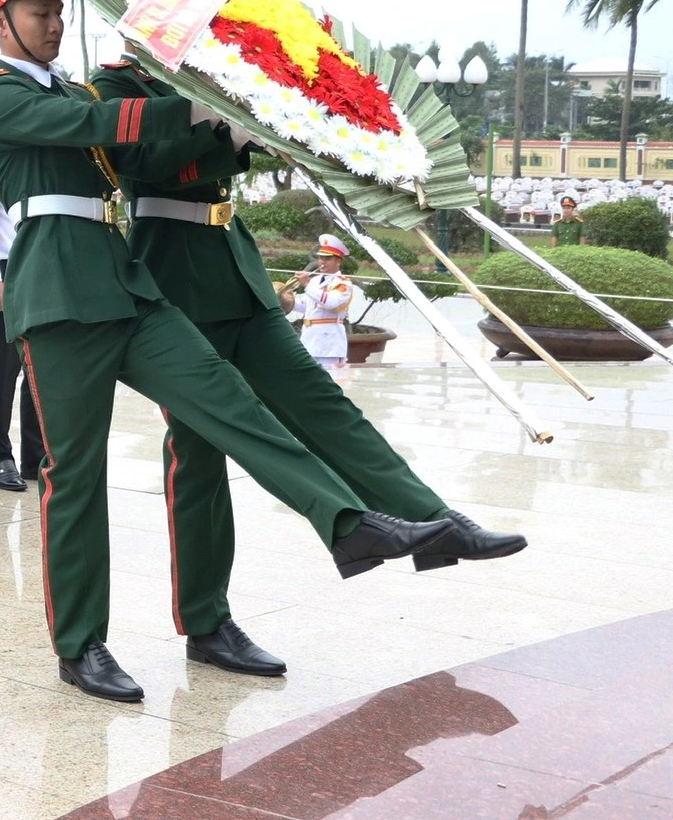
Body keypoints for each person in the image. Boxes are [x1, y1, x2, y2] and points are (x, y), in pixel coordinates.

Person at [0, 0, 456, 703]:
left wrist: (244, 118)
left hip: (126, 284)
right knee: (77, 473)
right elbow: (106, 129)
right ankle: (81, 643)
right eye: (38, 11)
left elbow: (138, 144)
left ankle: (346, 522)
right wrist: (213, 101)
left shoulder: (71, 90)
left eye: (59, 8)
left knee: (231, 404)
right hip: (58, 295)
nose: (54, 22)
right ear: (0, 22)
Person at [90, 57, 525, 682]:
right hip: (174, 276)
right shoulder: (116, 84)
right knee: (199, 457)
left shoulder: (214, 71)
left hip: (234, 269)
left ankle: (436, 521)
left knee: (324, 404)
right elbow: (144, 164)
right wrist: (223, 121)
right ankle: (207, 623)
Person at [0, 189, 44, 492]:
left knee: (38, 365)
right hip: (6, 267)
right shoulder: (1, 166)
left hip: (41, 266)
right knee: (3, 367)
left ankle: (36, 456)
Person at [288, 235, 355, 371]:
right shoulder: (314, 281)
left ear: (338, 261)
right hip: (309, 340)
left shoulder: (343, 283)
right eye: (320, 258)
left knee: (330, 379)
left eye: (327, 258)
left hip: (329, 344)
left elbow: (330, 302)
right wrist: (285, 300)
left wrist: (306, 285)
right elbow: (306, 307)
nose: (322, 262)